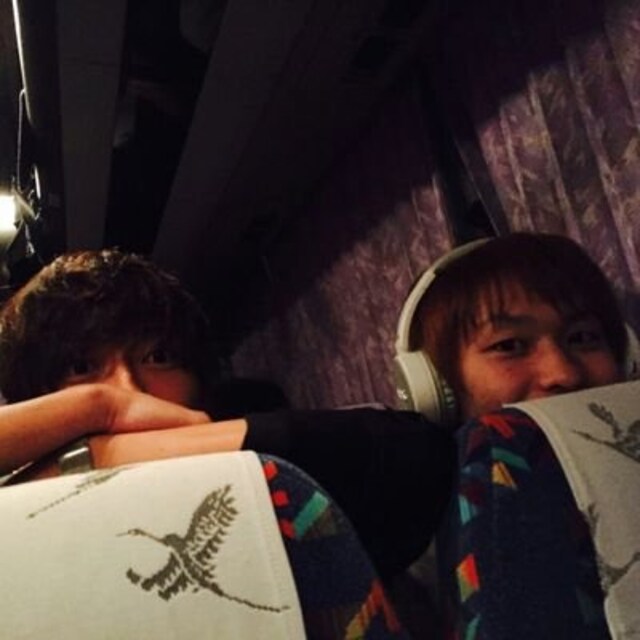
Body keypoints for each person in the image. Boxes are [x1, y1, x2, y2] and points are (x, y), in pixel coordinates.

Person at [0, 233, 632, 576]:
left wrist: (99, 433)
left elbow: (391, 454)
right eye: (82, 369)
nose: (130, 392)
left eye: (160, 357)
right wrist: (94, 411)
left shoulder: (316, 482)